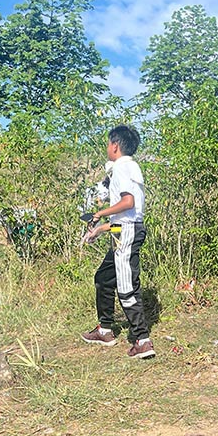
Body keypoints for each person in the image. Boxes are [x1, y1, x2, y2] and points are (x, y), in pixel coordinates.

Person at [80, 124, 155, 359]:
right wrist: (101, 229)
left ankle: (142, 341)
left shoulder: (123, 168)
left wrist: (99, 213)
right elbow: (125, 220)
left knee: (126, 286)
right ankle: (105, 329)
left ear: (115, 146)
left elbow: (128, 203)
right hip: (124, 231)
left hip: (127, 233)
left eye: (107, 144)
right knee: (104, 278)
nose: (107, 148)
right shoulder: (128, 168)